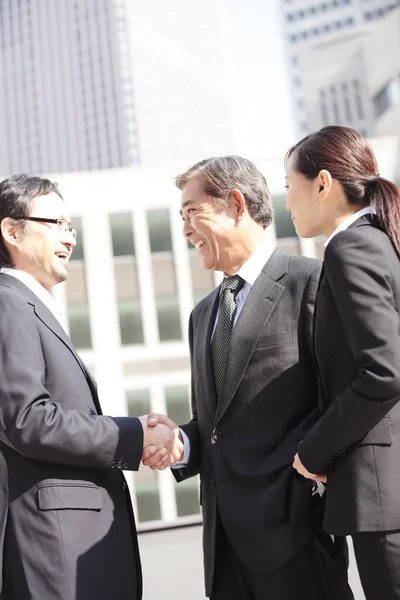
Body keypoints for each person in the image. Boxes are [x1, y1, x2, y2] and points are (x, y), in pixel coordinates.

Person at [143, 156, 354, 600]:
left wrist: (305, 483)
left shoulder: (312, 283)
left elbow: (345, 399)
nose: (184, 230)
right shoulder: (202, 316)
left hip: (297, 536)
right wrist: (182, 443)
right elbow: (216, 427)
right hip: (223, 547)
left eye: (192, 212)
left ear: (237, 204)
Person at [0, 174, 182, 600]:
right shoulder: (8, 303)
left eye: (72, 227)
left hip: (71, 540)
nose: (69, 238)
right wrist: (135, 434)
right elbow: (27, 420)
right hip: (55, 544)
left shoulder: (27, 306)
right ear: (11, 230)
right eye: (57, 224)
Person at [287, 126, 400, 600]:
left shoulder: (350, 247)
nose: (287, 203)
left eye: (290, 187)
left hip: (383, 498)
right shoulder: (383, 240)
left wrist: (313, 452)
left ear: (323, 183)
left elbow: (385, 371)